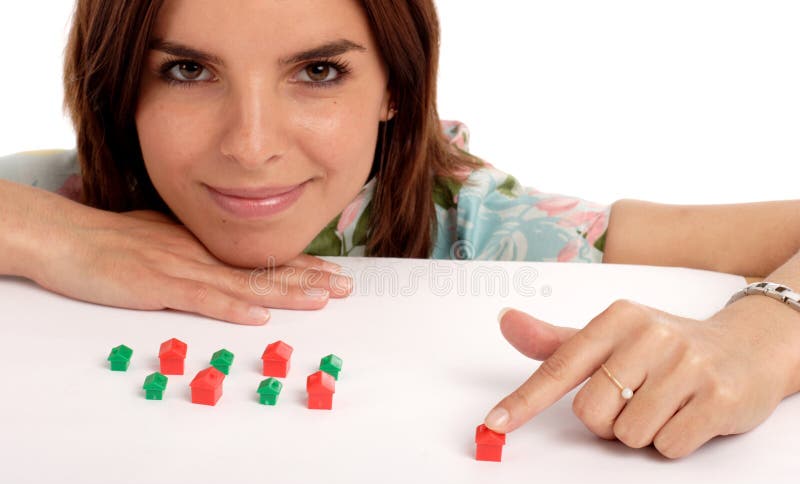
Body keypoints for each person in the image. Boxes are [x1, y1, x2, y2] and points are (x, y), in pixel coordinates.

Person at [0, 0, 798, 460]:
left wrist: (763, 336)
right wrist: (50, 237)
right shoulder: (50, 202)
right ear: (119, 88)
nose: (250, 145)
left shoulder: (485, 230)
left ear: (394, 89)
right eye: (187, 70)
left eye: (317, 72)